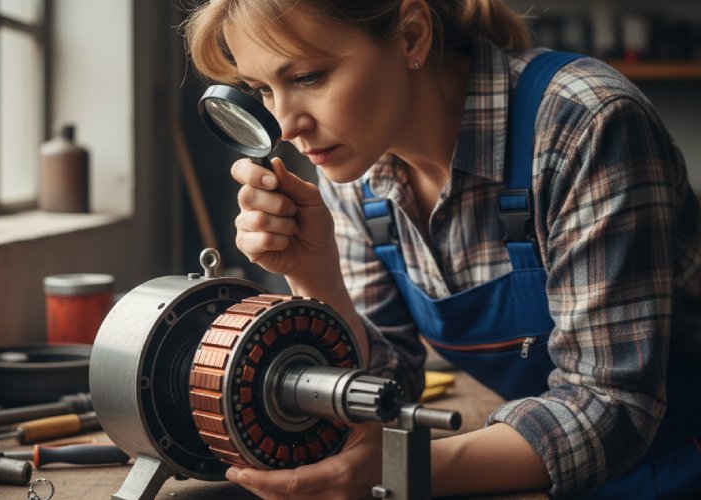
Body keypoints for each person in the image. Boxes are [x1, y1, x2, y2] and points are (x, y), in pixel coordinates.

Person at [183, 0, 701, 498]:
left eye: (307, 78)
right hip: (533, 473)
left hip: (674, 468)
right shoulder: (355, 172)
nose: (286, 125)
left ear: (412, 36)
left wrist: (398, 469)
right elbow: (386, 387)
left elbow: (612, 406)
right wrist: (314, 275)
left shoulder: (583, 124)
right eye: (261, 90)